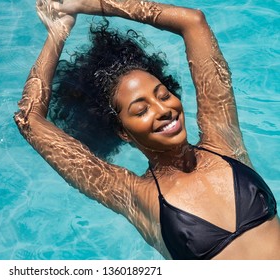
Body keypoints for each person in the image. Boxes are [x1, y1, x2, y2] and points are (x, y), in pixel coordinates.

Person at [14, 0, 280, 259]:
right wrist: (57, 32)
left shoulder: (223, 141)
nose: (163, 109)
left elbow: (193, 22)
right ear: (123, 132)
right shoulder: (137, 195)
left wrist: (86, 4)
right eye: (141, 110)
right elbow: (29, 120)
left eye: (164, 95)